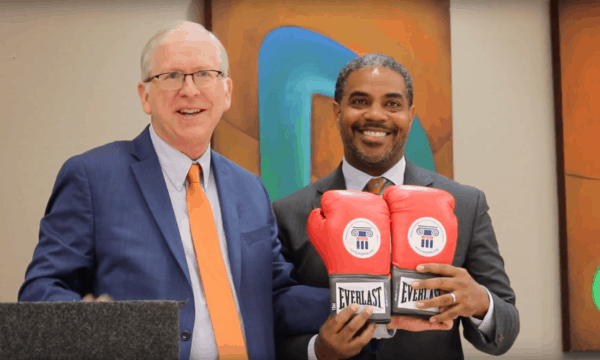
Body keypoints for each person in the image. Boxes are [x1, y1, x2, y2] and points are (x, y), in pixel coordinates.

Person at [18, 21, 378, 360]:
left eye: (205, 74)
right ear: (146, 95)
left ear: (226, 92)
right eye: (171, 75)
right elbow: (41, 290)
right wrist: (90, 325)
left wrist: (379, 301)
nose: (189, 90)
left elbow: (275, 297)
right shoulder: (92, 176)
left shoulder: (249, 188)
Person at [272, 53, 520, 360]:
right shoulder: (288, 212)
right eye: (360, 101)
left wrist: (481, 302)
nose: (376, 115)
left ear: (410, 114)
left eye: (392, 104)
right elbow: (272, 327)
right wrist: (318, 351)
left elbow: (505, 329)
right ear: (337, 111)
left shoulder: (465, 204)